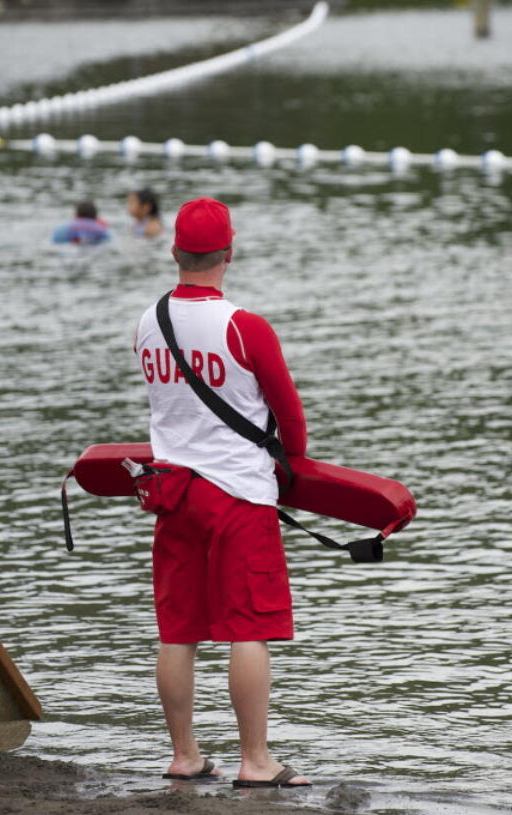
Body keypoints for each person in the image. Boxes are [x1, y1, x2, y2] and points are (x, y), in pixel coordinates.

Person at [133, 197, 311, 789]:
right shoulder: (245, 326)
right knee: (248, 628)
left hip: (173, 492)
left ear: (174, 252)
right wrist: (296, 469)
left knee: (178, 629)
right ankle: (256, 761)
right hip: (239, 493)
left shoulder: (147, 322)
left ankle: (184, 755)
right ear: (229, 252)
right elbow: (290, 420)